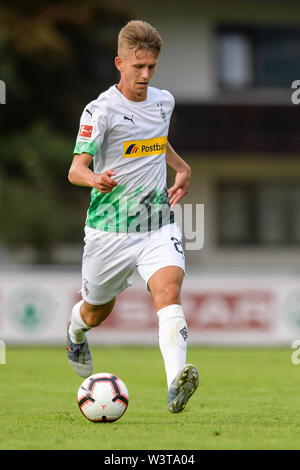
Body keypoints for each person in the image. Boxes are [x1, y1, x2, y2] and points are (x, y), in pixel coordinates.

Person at [67, 20, 199, 414]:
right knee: (95, 310)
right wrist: (95, 178)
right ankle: (75, 333)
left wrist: (182, 166)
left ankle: (176, 383)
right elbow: (76, 169)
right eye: (138, 66)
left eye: (152, 67)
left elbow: (155, 141)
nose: (145, 75)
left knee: (169, 289)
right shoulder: (100, 110)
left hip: (156, 223)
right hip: (108, 231)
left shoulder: (164, 101)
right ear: (119, 63)